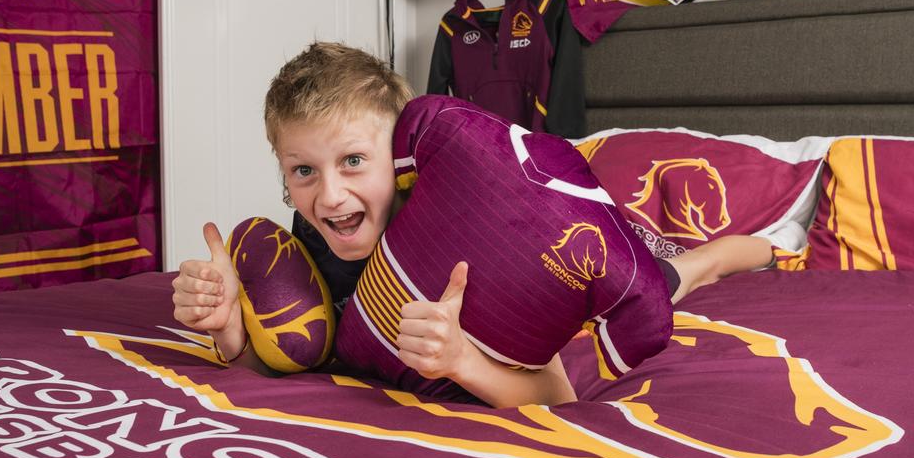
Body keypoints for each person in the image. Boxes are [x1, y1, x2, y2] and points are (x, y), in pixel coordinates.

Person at [171, 42, 773, 408]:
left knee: (667, 276)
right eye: (303, 170)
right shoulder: (309, 238)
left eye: (354, 161)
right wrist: (227, 331)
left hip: (555, 266)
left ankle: (727, 252)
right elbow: (293, 360)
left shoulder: (460, 232)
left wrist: (463, 361)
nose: (329, 195)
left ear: (403, 160)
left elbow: (556, 395)